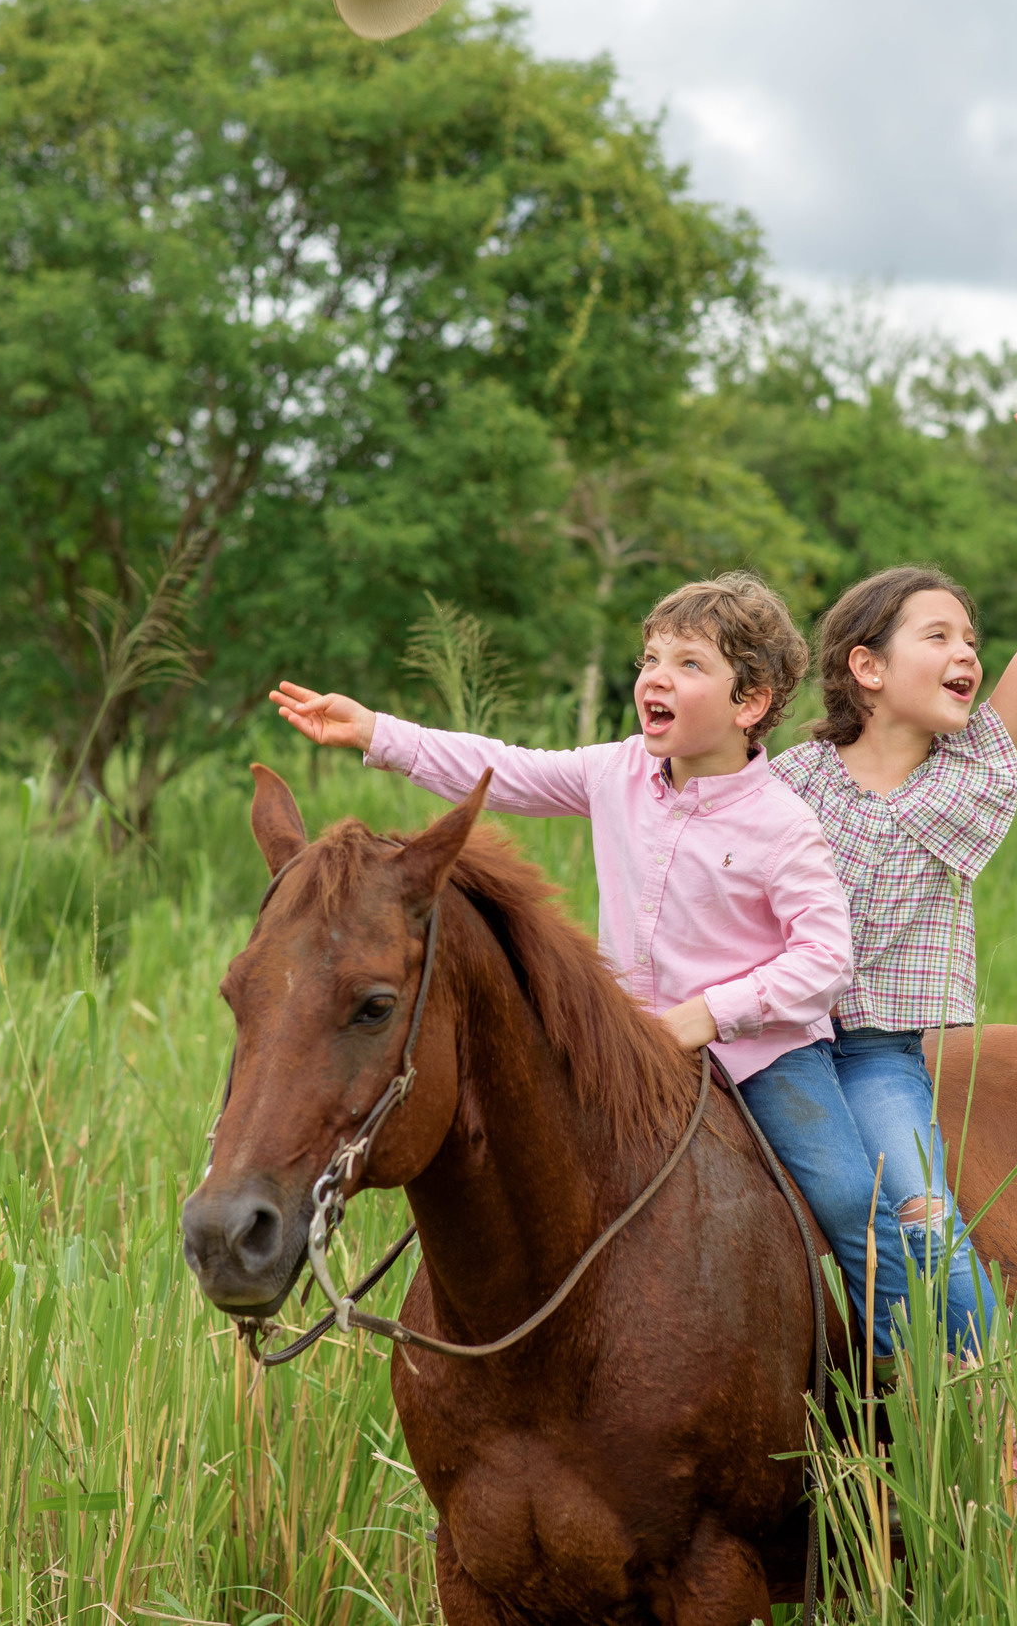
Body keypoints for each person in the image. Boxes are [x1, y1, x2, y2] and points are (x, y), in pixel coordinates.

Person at [274, 573, 929, 1359]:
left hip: (764, 1056)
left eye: (689, 664)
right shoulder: (616, 774)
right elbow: (501, 768)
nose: (655, 677)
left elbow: (825, 959)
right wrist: (375, 732)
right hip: (624, 1045)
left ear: (748, 702)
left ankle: (905, 1375)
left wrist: (710, 1013)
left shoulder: (782, 822)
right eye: (651, 657)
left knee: (853, 1197)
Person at [766, 406, 1017, 1363]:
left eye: (969, 639)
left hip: (874, 1055)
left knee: (922, 1215)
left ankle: (984, 1405)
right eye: (938, 636)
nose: (967, 653)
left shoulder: (971, 774)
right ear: (865, 666)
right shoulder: (789, 779)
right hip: (768, 1037)